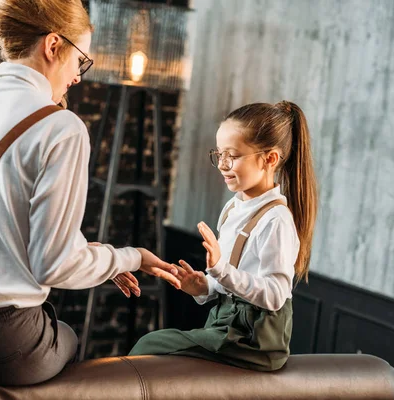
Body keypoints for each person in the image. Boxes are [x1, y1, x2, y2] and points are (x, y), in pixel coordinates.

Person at [0, 0, 179, 386]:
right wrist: (129, 258)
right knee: (67, 337)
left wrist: (87, 253)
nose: (78, 77)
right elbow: (53, 267)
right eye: (80, 60)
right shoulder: (61, 127)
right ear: (52, 45)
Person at [129, 101, 318, 372]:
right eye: (219, 154)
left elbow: (275, 296)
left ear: (270, 159)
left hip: (256, 339)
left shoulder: (276, 221)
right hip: (225, 324)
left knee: (150, 346)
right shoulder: (233, 207)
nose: (222, 165)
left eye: (233, 156)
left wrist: (219, 270)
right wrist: (203, 288)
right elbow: (227, 281)